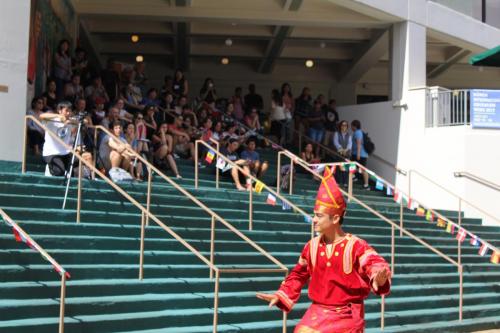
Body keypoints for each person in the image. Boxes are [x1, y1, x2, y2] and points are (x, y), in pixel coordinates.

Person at [256, 167, 391, 332]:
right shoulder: (311, 246)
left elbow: (374, 263)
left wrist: (378, 278)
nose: (314, 220)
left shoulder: (355, 245)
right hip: (318, 310)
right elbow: (298, 275)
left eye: (319, 216)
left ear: (335, 218)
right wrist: (281, 294)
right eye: (314, 215)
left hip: (346, 313)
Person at [40, 101, 75, 176]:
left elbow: (85, 122)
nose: (68, 113)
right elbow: (42, 116)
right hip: (51, 152)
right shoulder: (52, 120)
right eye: (66, 111)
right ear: (60, 111)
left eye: (70, 111)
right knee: (59, 171)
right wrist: (58, 116)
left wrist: (72, 121)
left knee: (72, 172)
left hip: (65, 152)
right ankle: (49, 169)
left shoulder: (70, 121)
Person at [351, 119, 370, 190]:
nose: (351, 128)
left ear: (354, 126)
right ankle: (356, 178)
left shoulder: (357, 132)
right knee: (357, 168)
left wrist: (358, 154)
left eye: (351, 126)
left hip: (359, 154)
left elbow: (358, 143)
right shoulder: (360, 132)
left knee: (355, 167)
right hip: (362, 154)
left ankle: (365, 184)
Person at [333, 120, 352, 187]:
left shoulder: (349, 135)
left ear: (347, 127)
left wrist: (345, 150)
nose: (344, 126)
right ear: (340, 126)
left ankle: (345, 183)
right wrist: (341, 149)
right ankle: (337, 182)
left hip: (346, 154)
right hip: (338, 153)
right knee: (338, 168)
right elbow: (336, 142)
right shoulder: (336, 133)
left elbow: (350, 144)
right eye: (343, 125)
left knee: (346, 168)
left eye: (345, 125)